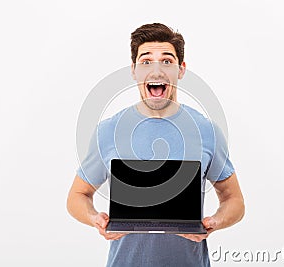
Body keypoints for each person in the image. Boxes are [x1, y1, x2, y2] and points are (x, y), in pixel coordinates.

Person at [67, 23, 245, 267]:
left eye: (167, 61)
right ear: (134, 71)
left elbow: (234, 199)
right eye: (146, 61)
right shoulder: (108, 131)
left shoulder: (206, 130)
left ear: (181, 70)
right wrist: (94, 218)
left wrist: (214, 222)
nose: (157, 70)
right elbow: (78, 195)